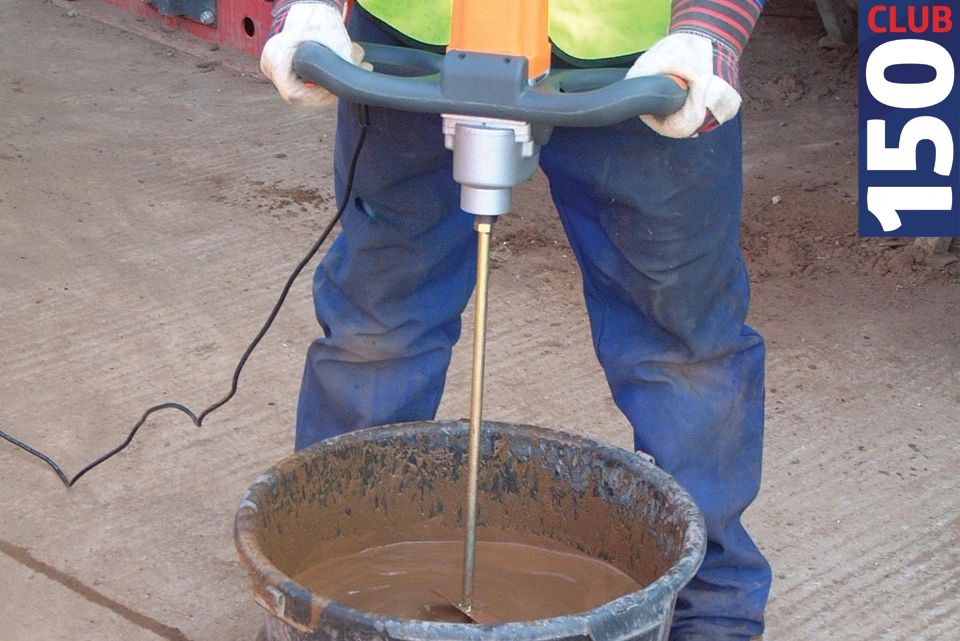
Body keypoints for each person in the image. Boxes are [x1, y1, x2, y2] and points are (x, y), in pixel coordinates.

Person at [259, 1, 771, 639]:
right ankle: (329, 590)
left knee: (683, 347)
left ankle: (708, 611)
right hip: (415, 39)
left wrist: (708, 31)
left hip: (645, 60)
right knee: (377, 326)